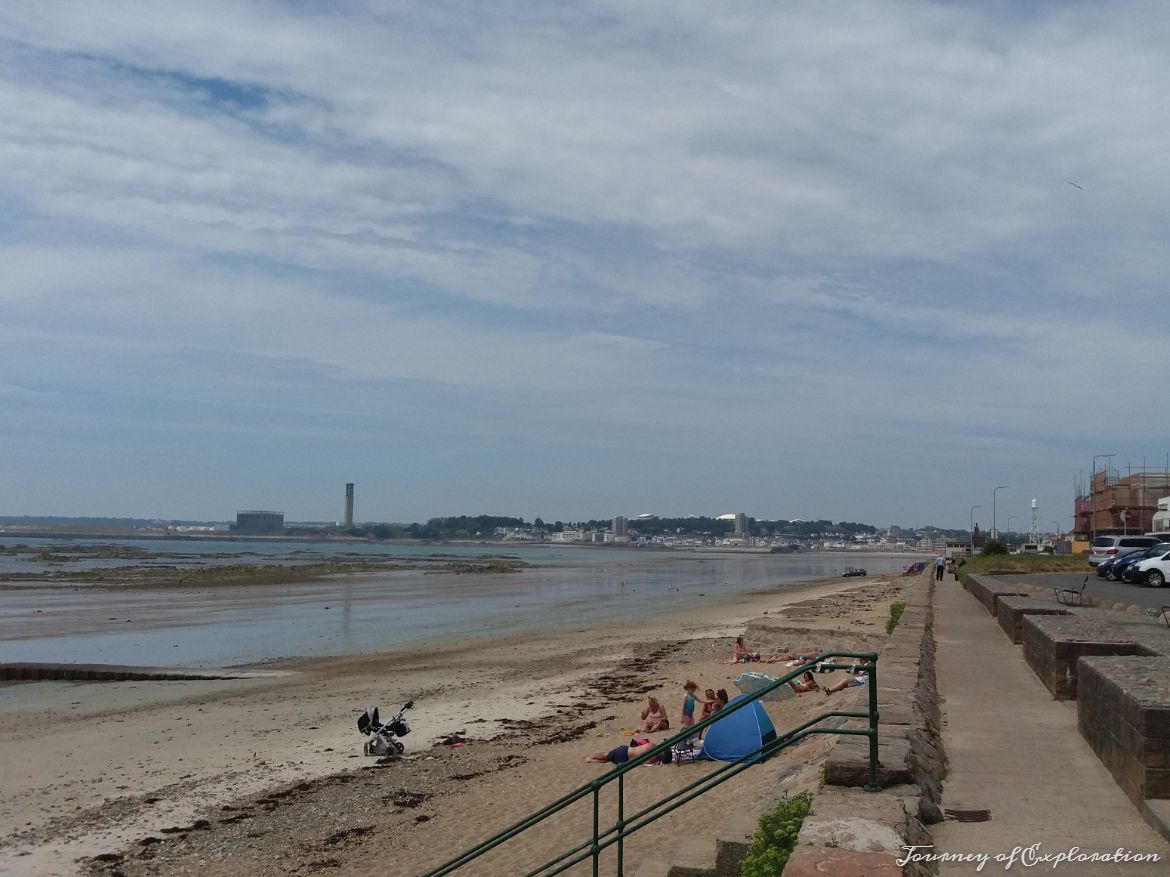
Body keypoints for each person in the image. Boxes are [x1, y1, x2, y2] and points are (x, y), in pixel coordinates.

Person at [585, 737, 672, 765]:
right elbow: (641, 763)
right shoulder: (653, 760)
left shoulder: (652, 745)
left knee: (607, 755)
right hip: (626, 759)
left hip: (625, 751)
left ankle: (591, 758)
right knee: (608, 759)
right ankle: (592, 760)